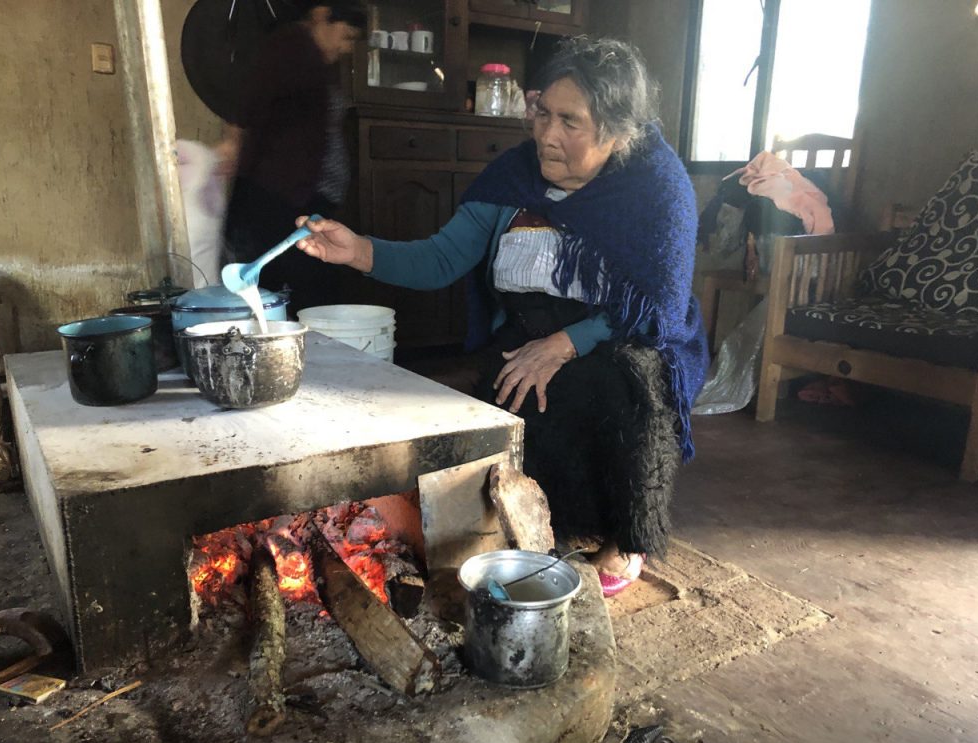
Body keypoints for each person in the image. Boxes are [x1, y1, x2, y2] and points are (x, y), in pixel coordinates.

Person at [293, 37, 708, 597]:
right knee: (503, 396)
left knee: (626, 383)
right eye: (543, 115)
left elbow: (660, 304)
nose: (547, 135)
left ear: (616, 129)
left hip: (624, 335)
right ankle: (545, 521)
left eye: (570, 122)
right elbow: (440, 258)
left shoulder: (656, 186)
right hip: (525, 331)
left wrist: (565, 342)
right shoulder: (513, 177)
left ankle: (624, 536)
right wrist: (358, 250)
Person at [221, 1, 365, 313]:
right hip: (280, 197)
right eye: (347, 35)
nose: (347, 47)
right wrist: (231, 141)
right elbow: (251, 97)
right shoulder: (290, 46)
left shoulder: (311, 58)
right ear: (321, 15)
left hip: (300, 197)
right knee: (299, 290)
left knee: (310, 287)